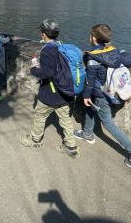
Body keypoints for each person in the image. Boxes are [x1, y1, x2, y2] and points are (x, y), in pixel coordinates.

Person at [74, 24, 131, 169]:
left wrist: (86, 96)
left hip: (102, 95)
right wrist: (122, 51)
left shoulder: (92, 57)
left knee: (107, 123)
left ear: (94, 39)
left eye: (90, 35)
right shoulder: (114, 52)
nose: (90, 38)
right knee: (90, 108)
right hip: (114, 92)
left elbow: (89, 81)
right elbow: (130, 61)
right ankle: (87, 133)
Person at [21, 20, 80, 159]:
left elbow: (48, 73)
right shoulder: (61, 46)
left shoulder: (48, 49)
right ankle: (71, 147)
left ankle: (35, 140)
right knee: (65, 120)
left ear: (43, 34)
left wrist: (34, 69)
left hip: (50, 93)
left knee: (40, 116)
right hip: (65, 93)